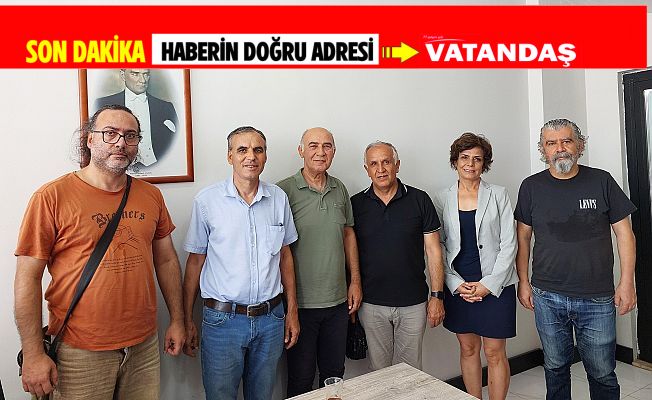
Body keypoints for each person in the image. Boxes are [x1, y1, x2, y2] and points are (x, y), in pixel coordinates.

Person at [14, 104, 186, 399]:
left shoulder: (151, 195)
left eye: (130, 135)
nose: (121, 142)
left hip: (143, 346)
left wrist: (178, 319)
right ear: (90, 139)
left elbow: (167, 259)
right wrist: (32, 354)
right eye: (110, 133)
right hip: (78, 352)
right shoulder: (51, 197)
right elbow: (27, 278)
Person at [515, 118, 637, 400]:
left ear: (580, 146)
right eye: (551, 143)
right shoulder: (531, 186)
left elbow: (625, 234)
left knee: (602, 372)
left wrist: (627, 282)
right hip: (547, 295)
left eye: (567, 141)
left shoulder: (602, 181)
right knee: (555, 367)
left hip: (597, 297)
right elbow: (523, 238)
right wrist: (523, 281)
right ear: (543, 150)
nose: (560, 148)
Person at [182, 126, 300, 400]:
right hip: (223, 321)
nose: (251, 157)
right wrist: (186, 319)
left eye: (258, 150)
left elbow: (285, 256)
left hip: (271, 319)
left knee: (263, 395)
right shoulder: (207, 201)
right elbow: (195, 263)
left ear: (265, 156)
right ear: (229, 156)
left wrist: (292, 311)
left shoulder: (278, 198)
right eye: (242, 150)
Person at [277, 127, 362, 396]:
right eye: (313, 145)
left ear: (334, 152)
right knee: (300, 379)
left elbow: (348, 235)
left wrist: (355, 281)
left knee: (334, 376)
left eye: (327, 146)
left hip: (337, 304)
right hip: (300, 305)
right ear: (300, 151)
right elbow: (278, 249)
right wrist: (290, 306)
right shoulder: (283, 191)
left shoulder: (340, 189)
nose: (320, 152)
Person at [433, 132, 517, 399]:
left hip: (496, 284)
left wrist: (488, 285)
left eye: (477, 159)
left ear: (485, 163)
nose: (470, 164)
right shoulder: (442, 198)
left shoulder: (499, 194)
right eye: (464, 157)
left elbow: (509, 243)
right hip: (460, 285)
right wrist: (455, 284)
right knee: (468, 349)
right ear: (455, 161)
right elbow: (438, 246)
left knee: (494, 352)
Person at [351, 141, 445, 371]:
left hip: (413, 303)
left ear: (397, 165)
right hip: (371, 303)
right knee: (379, 372)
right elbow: (349, 252)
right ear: (366, 169)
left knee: (410, 373)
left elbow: (434, 250)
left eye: (386, 162)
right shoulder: (355, 204)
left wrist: (437, 296)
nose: (381, 169)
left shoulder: (420, 200)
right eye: (374, 164)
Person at [94, 69, 178, 167]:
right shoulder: (102, 104)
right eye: (135, 74)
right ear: (123, 75)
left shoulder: (166, 107)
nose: (143, 80)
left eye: (145, 74)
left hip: (158, 165)